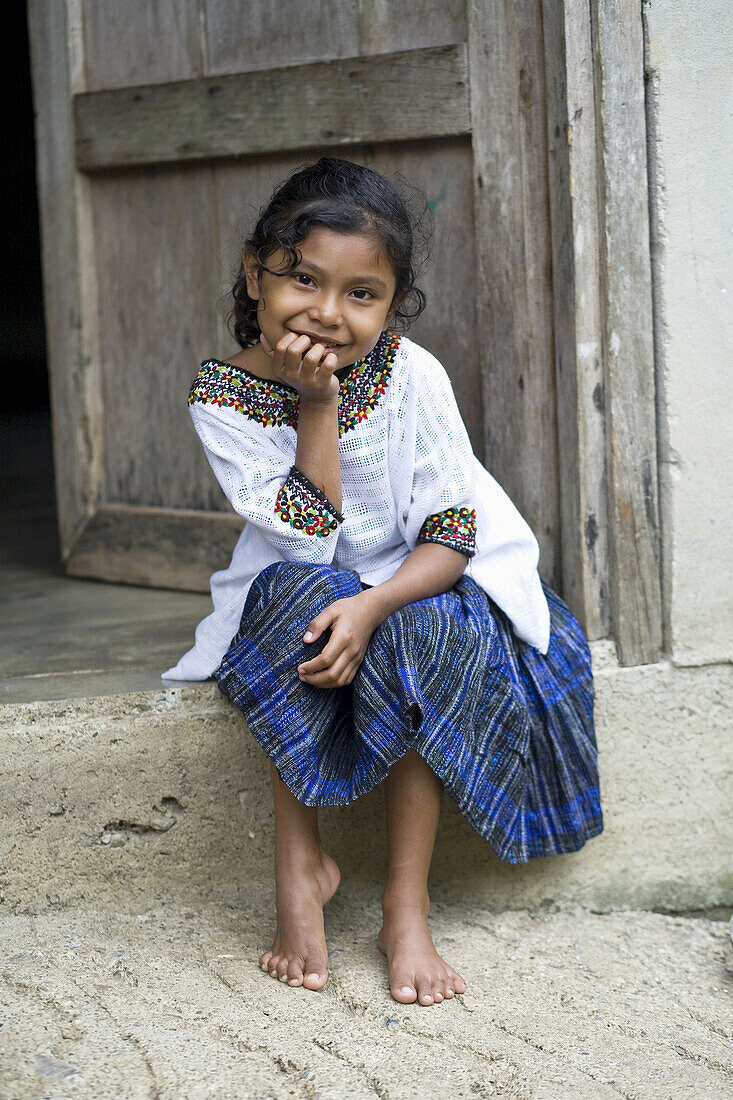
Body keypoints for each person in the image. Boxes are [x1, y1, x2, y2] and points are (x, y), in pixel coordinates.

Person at [162, 156, 603, 1007]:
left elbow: (451, 537)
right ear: (256, 273)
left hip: (423, 578)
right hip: (304, 572)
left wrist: (372, 604)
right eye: (302, 279)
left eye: (360, 294)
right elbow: (306, 532)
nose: (327, 312)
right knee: (298, 607)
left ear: (393, 306)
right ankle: (300, 866)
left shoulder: (410, 374)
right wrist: (316, 404)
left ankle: (405, 905)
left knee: (412, 633)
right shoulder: (222, 396)